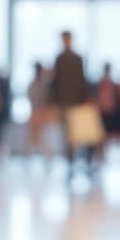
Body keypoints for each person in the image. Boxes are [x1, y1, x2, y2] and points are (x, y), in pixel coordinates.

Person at [48, 31, 91, 170]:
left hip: (76, 101)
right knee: (67, 132)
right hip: (63, 101)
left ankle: (76, 156)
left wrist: (84, 98)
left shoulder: (78, 58)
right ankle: (70, 158)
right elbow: (55, 81)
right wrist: (53, 100)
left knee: (77, 132)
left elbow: (82, 79)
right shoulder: (59, 58)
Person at [26, 61, 52, 158]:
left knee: (39, 137)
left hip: (39, 112)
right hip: (36, 112)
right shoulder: (37, 83)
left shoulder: (41, 84)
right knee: (35, 136)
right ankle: (28, 154)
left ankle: (47, 155)